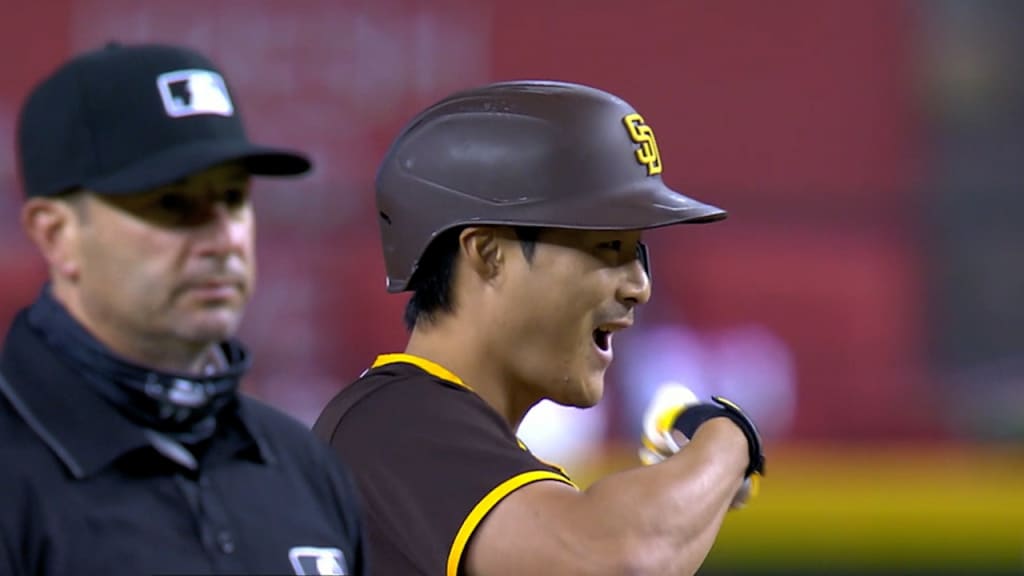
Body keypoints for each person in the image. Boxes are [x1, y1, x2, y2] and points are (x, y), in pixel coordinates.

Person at [313, 80, 765, 575]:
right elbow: (620, 559)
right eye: (607, 246)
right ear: (487, 255)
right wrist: (729, 437)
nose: (639, 286)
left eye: (637, 252)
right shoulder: (393, 424)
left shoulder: (429, 431)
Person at [0, 42, 366, 576]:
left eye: (234, 198)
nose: (224, 238)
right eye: (172, 203)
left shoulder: (302, 466)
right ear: (56, 235)